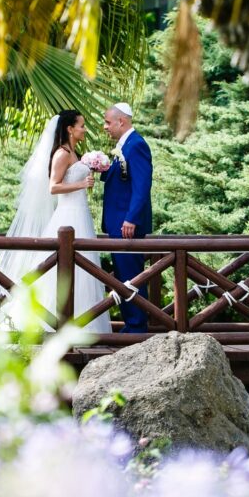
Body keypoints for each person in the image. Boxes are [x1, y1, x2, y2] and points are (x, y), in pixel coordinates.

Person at [0, 110, 112, 333]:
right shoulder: (62, 153)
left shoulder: (74, 152)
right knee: (59, 269)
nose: (85, 129)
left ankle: (84, 325)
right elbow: (53, 187)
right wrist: (82, 185)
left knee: (83, 268)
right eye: (81, 126)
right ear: (69, 129)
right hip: (67, 216)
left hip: (80, 214)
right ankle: (50, 325)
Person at [100, 103, 153, 333]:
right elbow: (121, 180)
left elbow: (142, 186)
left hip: (126, 225)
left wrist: (131, 218)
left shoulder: (137, 145)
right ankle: (132, 324)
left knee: (131, 277)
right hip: (118, 223)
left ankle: (137, 327)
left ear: (121, 121)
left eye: (108, 122)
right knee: (123, 276)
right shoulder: (125, 146)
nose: (105, 127)